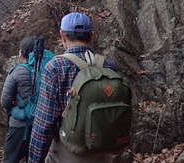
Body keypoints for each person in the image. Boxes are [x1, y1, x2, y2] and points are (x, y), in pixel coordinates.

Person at [28, 12, 119, 163]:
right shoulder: (109, 66)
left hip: (68, 152)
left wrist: (34, 160)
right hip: (104, 152)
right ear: (91, 36)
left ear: (62, 36)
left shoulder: (56, 67)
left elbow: (44, 124)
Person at [1, 36, 38, 163]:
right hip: (40, 125)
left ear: (22, 52)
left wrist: (13, 109)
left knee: (10, 159)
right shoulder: (47, 69)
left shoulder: (18, 71)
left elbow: (5, 101)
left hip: (19, 125)